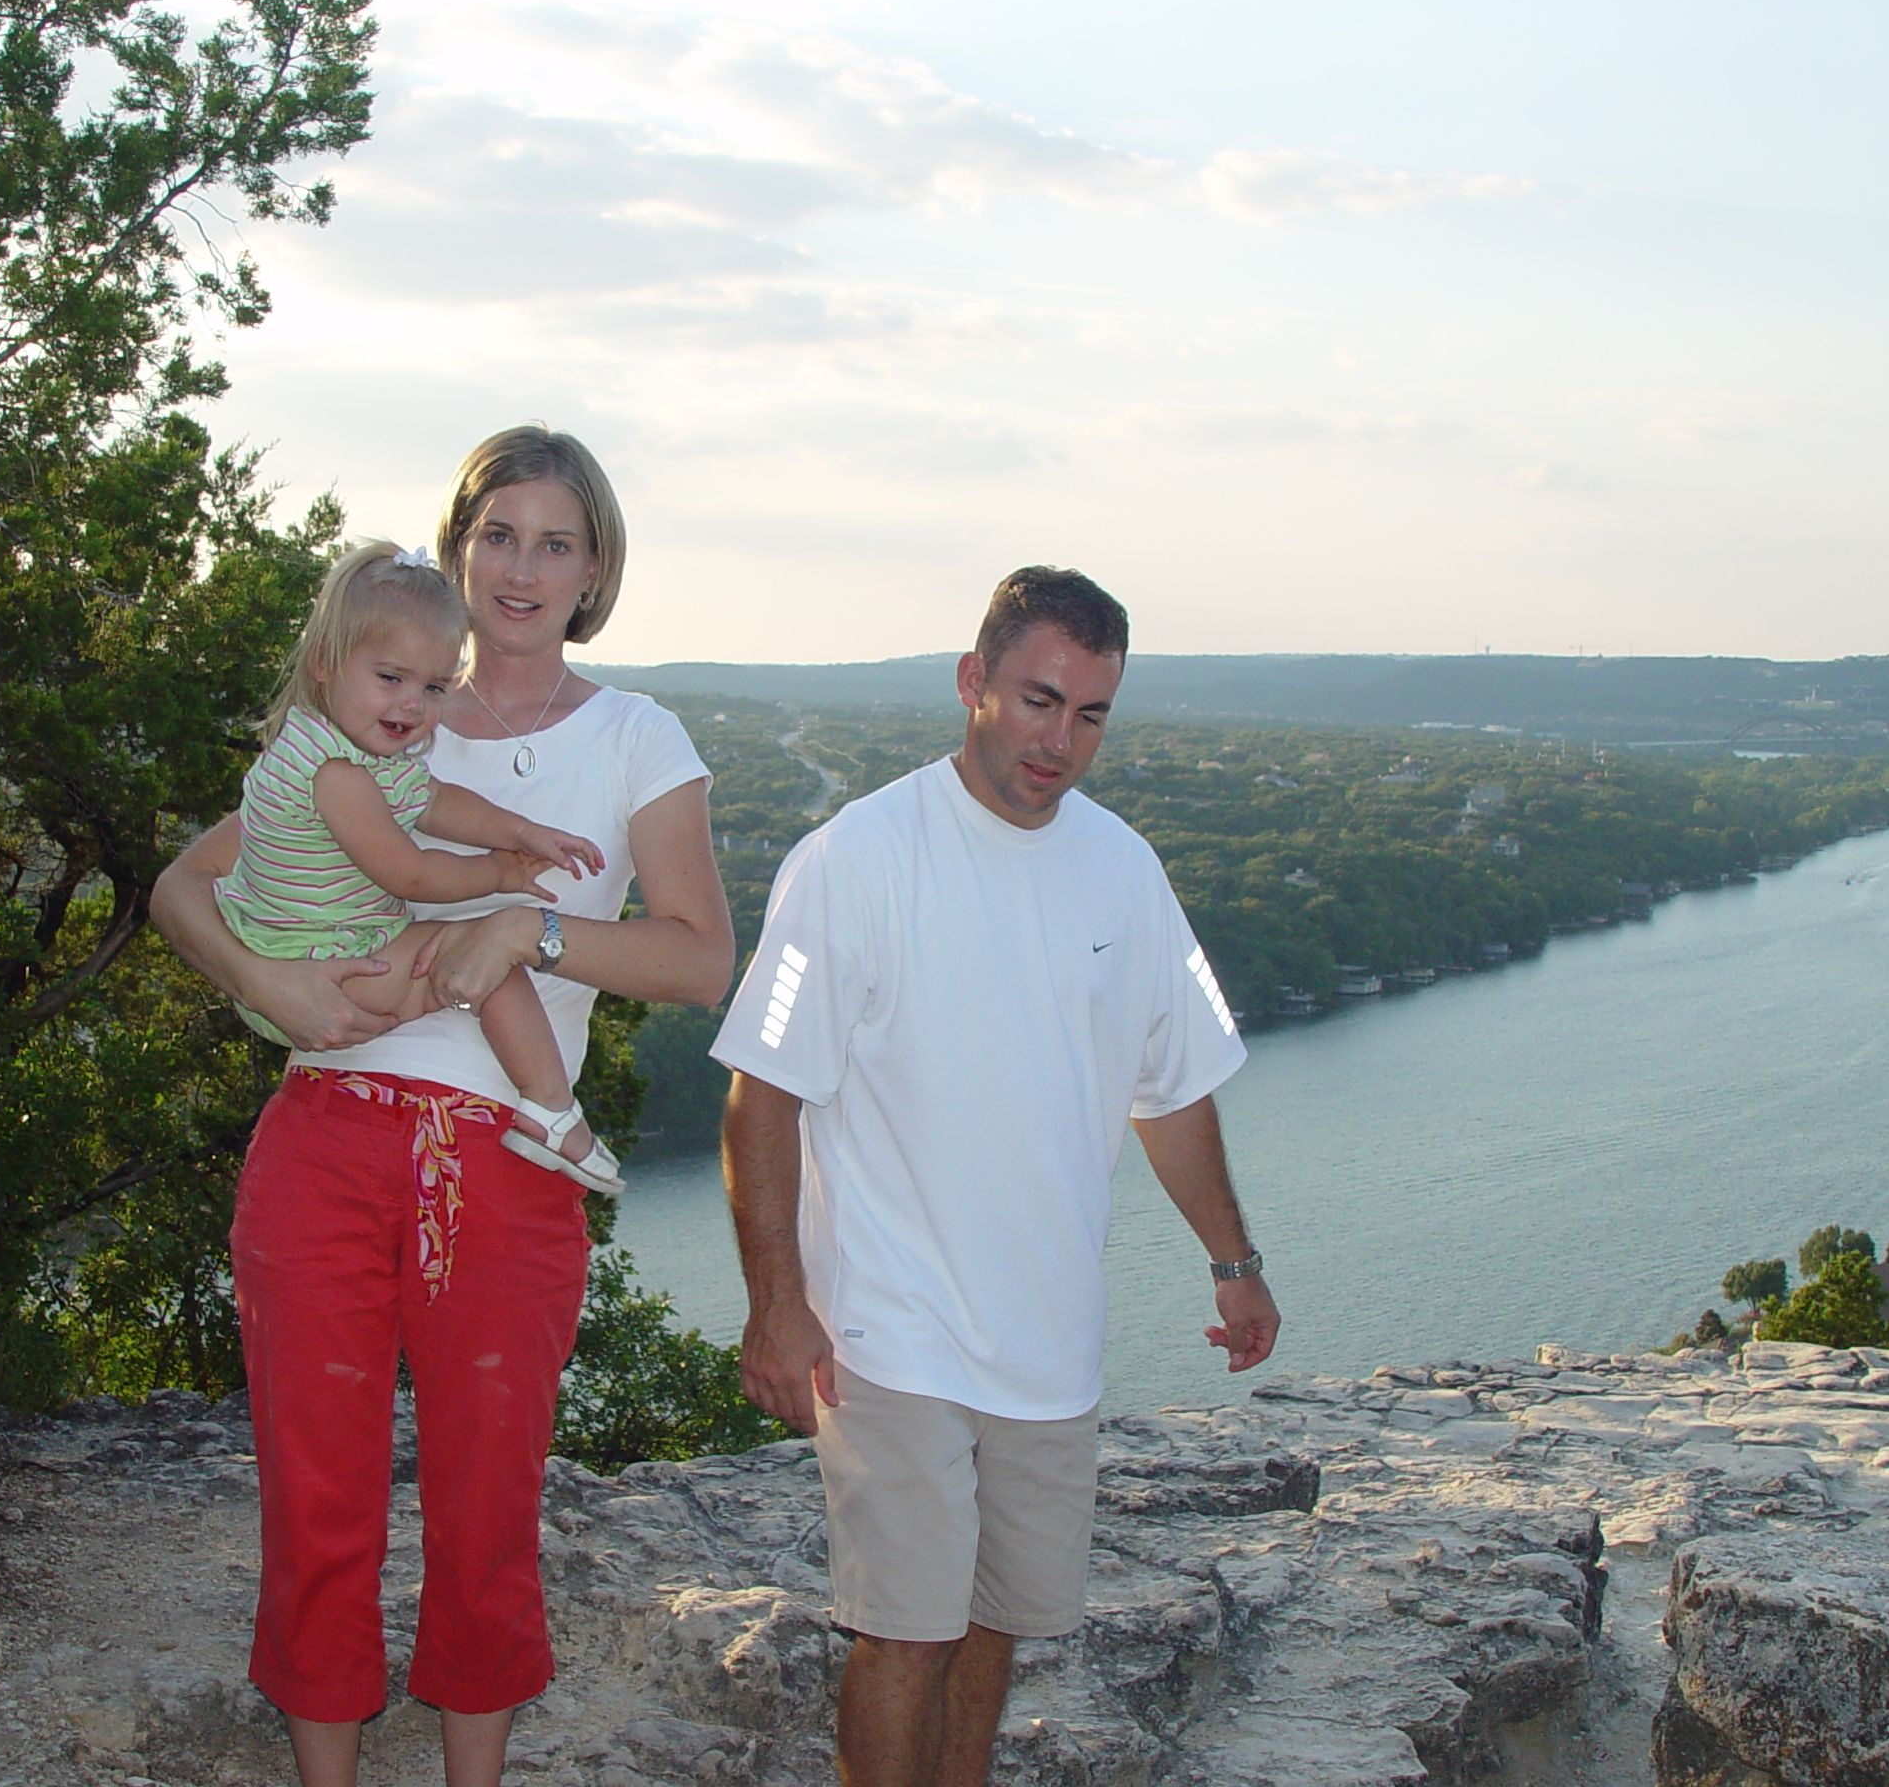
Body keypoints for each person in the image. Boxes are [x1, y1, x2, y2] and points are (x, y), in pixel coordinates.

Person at [150, 427, 733, 1787]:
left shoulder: (636, 735)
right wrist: (268, 985)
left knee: (485, 1510)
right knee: (317, 1501)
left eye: (557, 540)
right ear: (460, 547)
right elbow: (183, 886)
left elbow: (700, 956)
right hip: (323, 1135)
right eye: (499, 535)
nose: (522, 569)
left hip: (509, 1160)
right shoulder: (380, 710)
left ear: (595, 569)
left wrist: (526, 932)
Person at [710, 565, 1281, 1787]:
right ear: (971, 684)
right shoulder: (852, 861)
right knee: (905, 1629)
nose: (1059, 741)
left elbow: (1170, 1086)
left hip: (1047, 1339)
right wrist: (775, 1302)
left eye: (1089, 715)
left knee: (993, 1624)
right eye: (1036, 701)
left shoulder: (1126, 873)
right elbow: (762, 1088)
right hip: (889, 1330)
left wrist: (1233, 1263)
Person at [214, 539, 614, 1188]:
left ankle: (544, 1109)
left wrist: (521, 831)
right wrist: (503, 875)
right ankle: (552, 1112)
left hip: (309, 953)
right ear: (324, 662)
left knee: (471, 954)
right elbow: (413, 875)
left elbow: (436, 801)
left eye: (432, 687)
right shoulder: (336, 773)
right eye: (390, 678)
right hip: (317, 964)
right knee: (484, 961)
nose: (411, 704)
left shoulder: (351, 749)